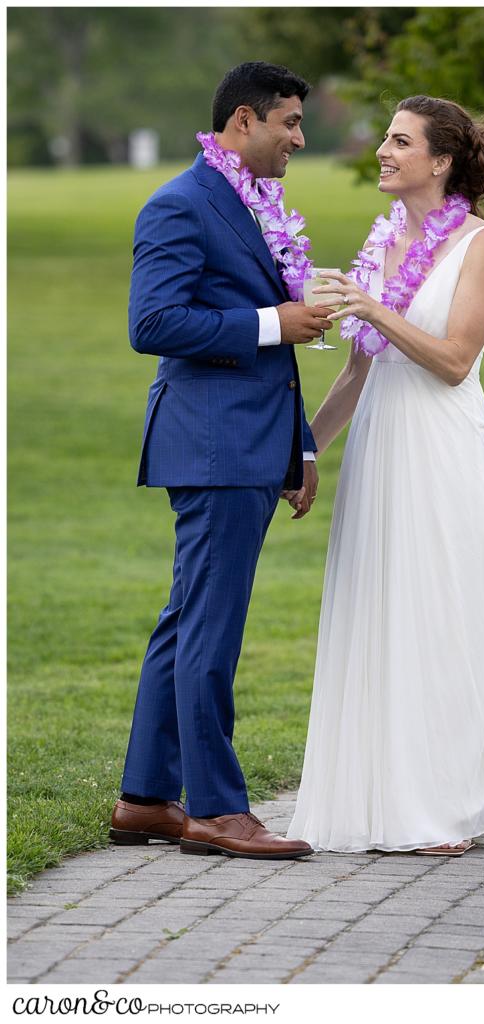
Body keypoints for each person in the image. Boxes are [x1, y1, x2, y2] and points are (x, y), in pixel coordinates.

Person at [286, 96, 484, 856]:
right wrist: (303, 452)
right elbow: (359, 372)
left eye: (399, 142)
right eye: (385, 140)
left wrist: (373, 307)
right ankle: (380, 799)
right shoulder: (383, 237)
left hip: (442, 452)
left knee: (442, 613)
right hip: (379, 451)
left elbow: (456, 362)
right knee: (381, 609)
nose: (382, 153)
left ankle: (449, 807)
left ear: (442, 160)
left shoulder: (480, 244)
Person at [110, 62, 334, 860]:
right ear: (244, 122)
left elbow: (272, 334)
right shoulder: (179, 204)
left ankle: (144, 798)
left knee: (185, 621)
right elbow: (155, 324)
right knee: (212, 628)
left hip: (249, 439)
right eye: (289, 124)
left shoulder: (249, 202)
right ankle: (214, 809)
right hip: (211, 443)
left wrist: (298, 441)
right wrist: (276, 322)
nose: (298, 140)